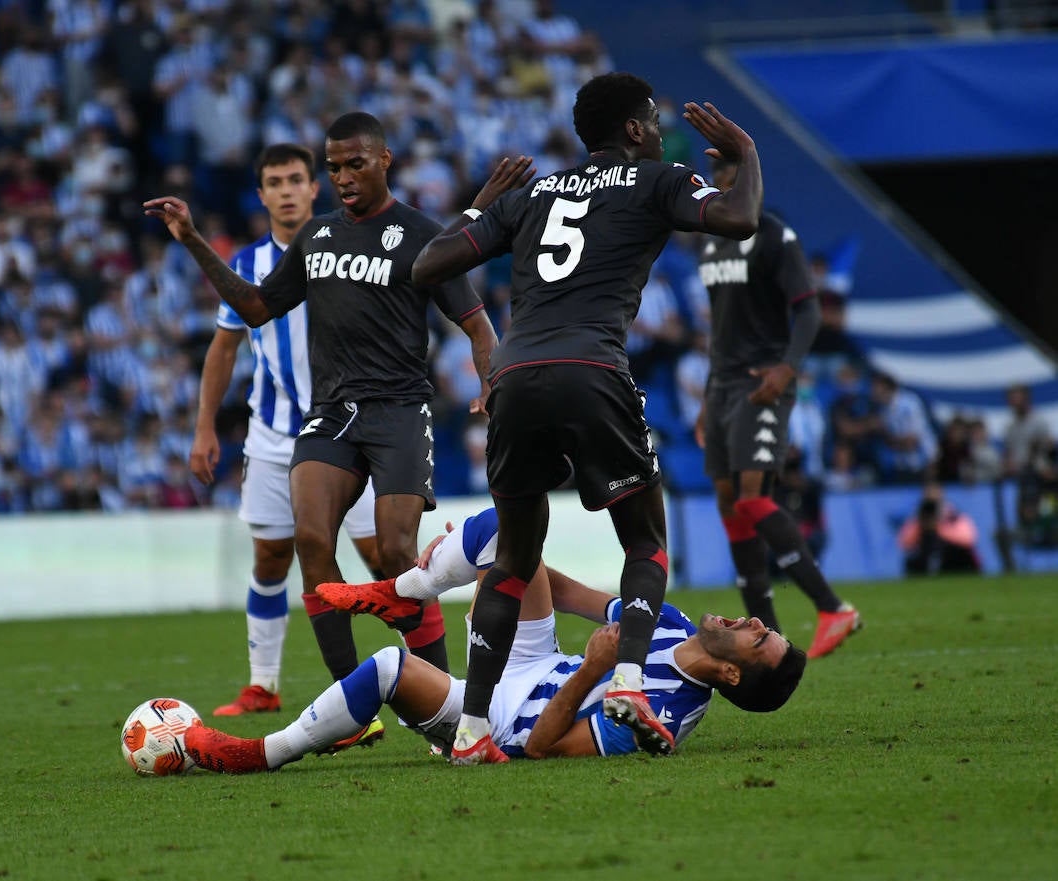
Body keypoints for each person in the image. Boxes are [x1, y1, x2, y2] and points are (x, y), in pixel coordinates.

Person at [408, 72, 764, 762]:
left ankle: (473, 729)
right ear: (633, 131)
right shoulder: (659, 178)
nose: (659, 133)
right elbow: (739, 219)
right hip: (592, 370)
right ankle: (629, 679)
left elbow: (428, 264)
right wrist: (745, 154)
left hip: (512, 376)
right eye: (653, 122)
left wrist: (482, 207)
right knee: (644, 545)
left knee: (514, 558)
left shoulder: (533, 194)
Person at [145, 113, 511, 744]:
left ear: (385, 160)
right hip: (331, 414)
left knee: (397, 554)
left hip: (399, 411)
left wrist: (491, 384)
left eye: (354, 164)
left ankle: (445, 712)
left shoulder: (422, 235)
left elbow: (477, 325)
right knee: (311, 541)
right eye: (333, 167)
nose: (341, 177)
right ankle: (352, 710)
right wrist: (193, 240)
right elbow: (257, 308)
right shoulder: (314, 238)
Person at [186, 506, 807, 773]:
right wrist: (498, 566)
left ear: (731, 677)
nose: (751, 622)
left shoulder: (663, 714)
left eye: (758, 640)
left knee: (386, 667)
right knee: (510, 531)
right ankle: (409, 588)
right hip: (535, 658)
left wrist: (593, 671)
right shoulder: (664, 619)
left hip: (508, 720)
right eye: (764, 625)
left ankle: (258, 754)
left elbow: (543, 750)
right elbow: (565, 594)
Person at [189, 144, 383, 718]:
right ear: (262, 194)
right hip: (273, 436)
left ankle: (434, 687)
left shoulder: (353, 246)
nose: (287, 190)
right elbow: (223, 349)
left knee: (385, 560)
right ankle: (264, 685)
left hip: (352, 429)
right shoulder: (245, 267)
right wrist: (204, 426)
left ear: (315, 186)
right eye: (275, 182)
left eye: (296, 179)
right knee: (271, 557)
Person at [694, 154, 860, 659]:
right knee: (729, 504)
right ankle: (767, 635)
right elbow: (720, 327)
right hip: (721, 384)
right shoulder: (709, 243)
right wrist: (706, 398)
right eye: (718, 186)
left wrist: (787, 368)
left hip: (762, 379)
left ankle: (833, 608)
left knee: (750, 498)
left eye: (732, 183)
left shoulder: (775, 237)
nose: (723, 193)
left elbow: (808, 309)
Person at [897, 483, 981, 575]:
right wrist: (920, 525)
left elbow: (969, 538)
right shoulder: (919, 518)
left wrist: (939, 528)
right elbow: (904, 543)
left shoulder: (953, 514)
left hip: (955, 557)